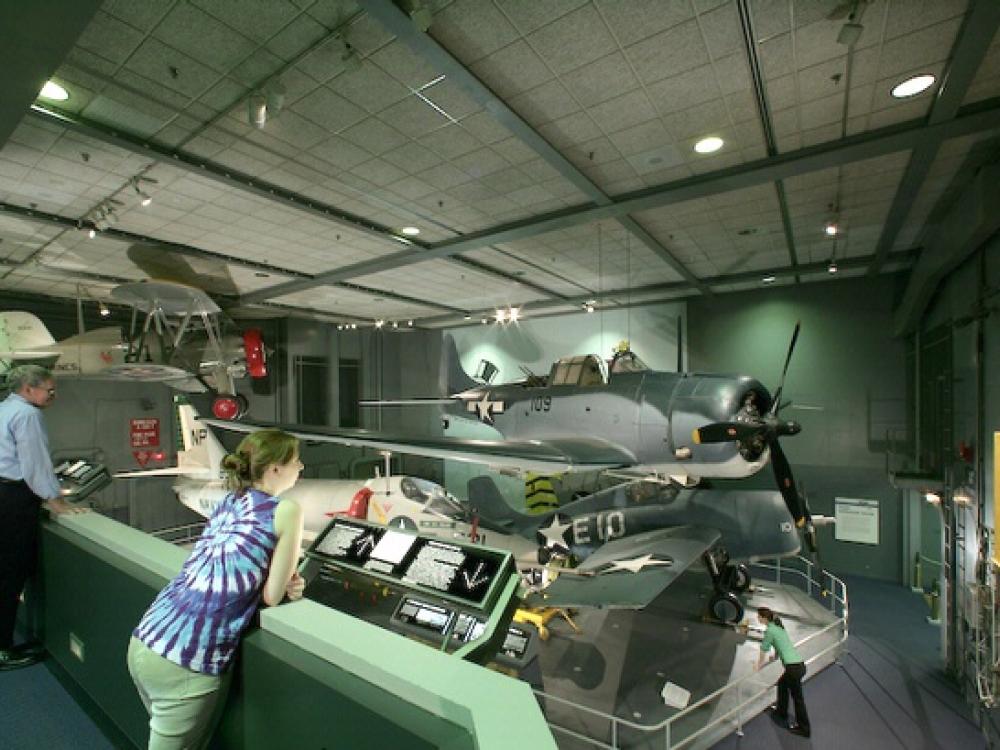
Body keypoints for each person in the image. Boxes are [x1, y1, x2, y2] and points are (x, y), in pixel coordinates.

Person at [128, 429, 305, 749]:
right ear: (275, 468)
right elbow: (272, 596)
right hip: (186, 658)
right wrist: (288, 583)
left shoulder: (229, 501)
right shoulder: (287, 510)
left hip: (147, 638)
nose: (301, 467)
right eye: (296, 462)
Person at [0, 364, 85, 671]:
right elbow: (35, 464)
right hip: (13, 499)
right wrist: (55, 502)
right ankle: (2, 650)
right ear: (28, 389)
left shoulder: (5, 408)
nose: (54, 396)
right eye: (49, 390)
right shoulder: (28, 415)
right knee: (10, 574)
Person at [756, 606, 810, 737]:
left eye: (759, 617)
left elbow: (764, 649)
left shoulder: (769, 631)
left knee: (798, 699)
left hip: (792, 669)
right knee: (782, 684)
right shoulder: (778, 628)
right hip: (799, 665)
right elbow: (780, 645)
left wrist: (758, 665)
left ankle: (804, 729)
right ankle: (781, 711)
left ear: (764, 618)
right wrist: (775, 657)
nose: (757, 618)